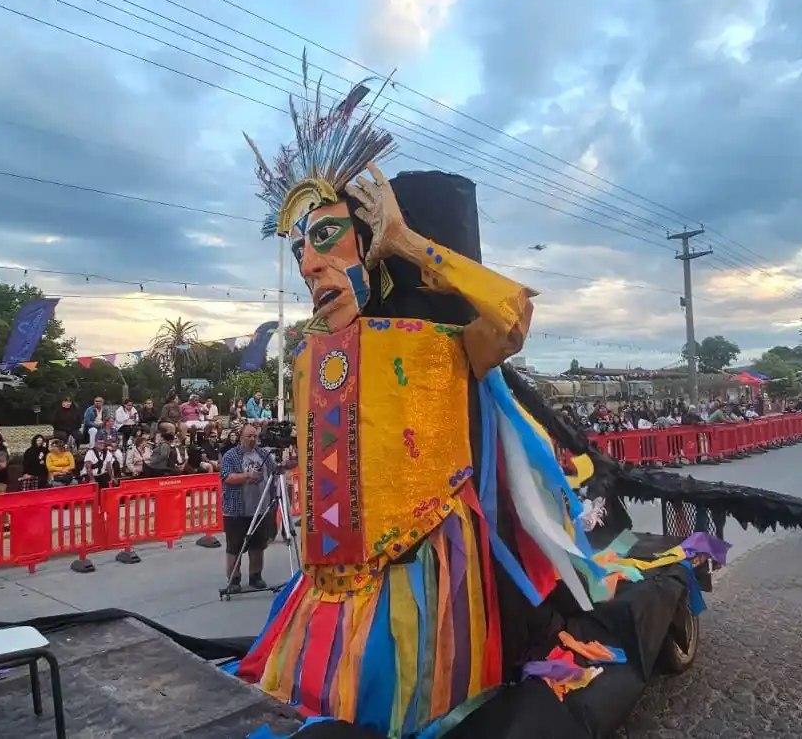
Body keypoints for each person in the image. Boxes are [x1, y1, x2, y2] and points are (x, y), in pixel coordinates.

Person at [235, 75, 641, 734]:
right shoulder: (312, 353)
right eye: (298, 247)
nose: (308, 263)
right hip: (325, 586)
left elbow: (513, 312)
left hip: (424, 582)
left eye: (327, 236)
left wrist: (405, 239)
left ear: (366, 241)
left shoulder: (442, 344)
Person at [219, 424, 277, 594]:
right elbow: (226, 477)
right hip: (236, 511)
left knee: (258, 546)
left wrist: (287, 465)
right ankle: (234, 579)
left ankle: (255, 576)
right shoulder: (231, 455)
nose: (252, 440)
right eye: (249, 436)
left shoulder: (263, 454)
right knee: (234, 547)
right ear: (241, 437)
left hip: (260, 509)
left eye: (255, 436)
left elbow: (275, 473)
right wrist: (246, 476)